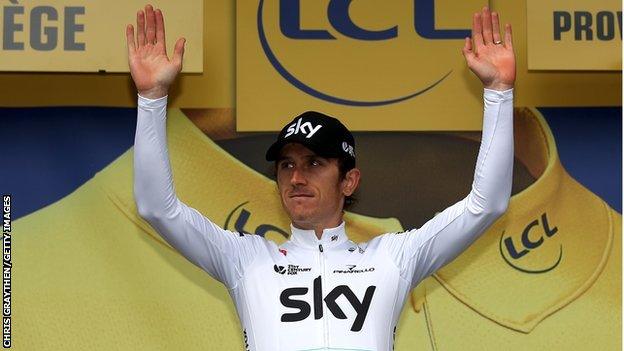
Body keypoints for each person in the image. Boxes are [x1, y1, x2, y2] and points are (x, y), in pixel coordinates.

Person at [129, 4, 515, 351]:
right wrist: (151, 98)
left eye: (314, 163)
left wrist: (499, 92)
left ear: (349, 181)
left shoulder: (393, 257)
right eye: (286, 165)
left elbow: (487, 204)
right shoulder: (245, 259)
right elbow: (157, 208)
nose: (296, 177)